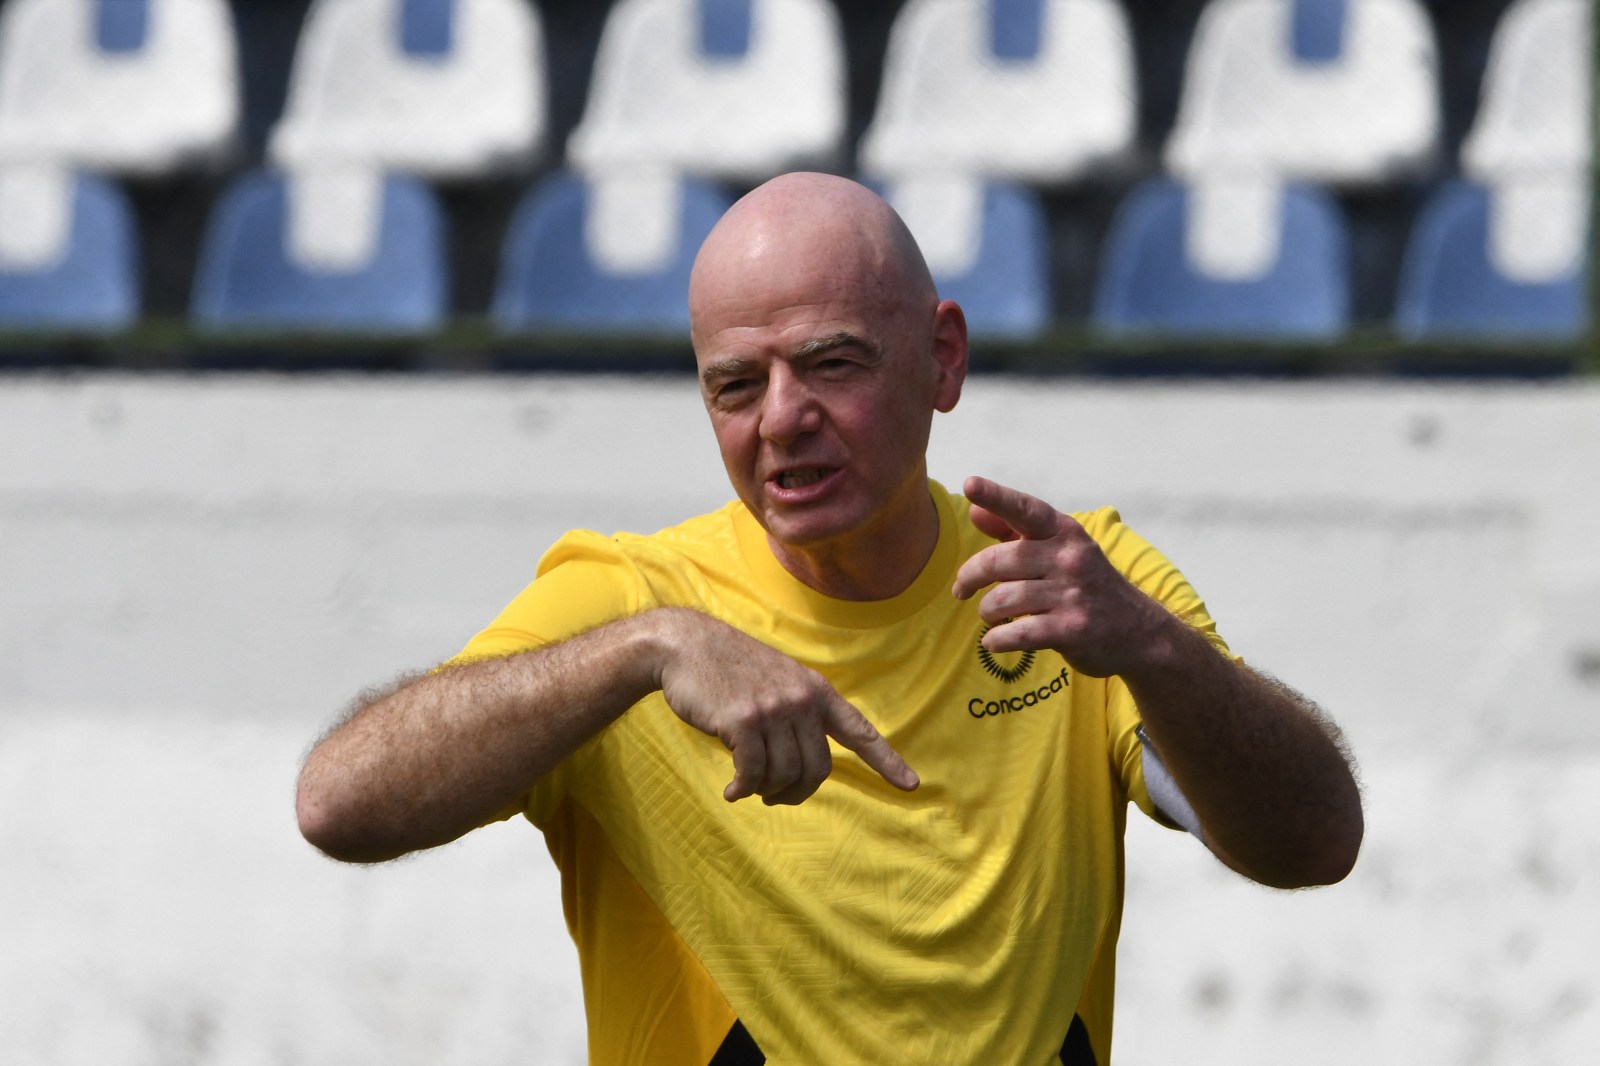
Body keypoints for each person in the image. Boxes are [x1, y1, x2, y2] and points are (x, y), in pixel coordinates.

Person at [296, 172, 1364, 1065]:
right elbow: (339, 801)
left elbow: (1312, 842)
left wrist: (1157, 651)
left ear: (942, 358)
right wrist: (644, 651)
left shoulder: (1075, 583)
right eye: (734, 386)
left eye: (830, 363)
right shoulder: (630, 602)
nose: (782, 420)